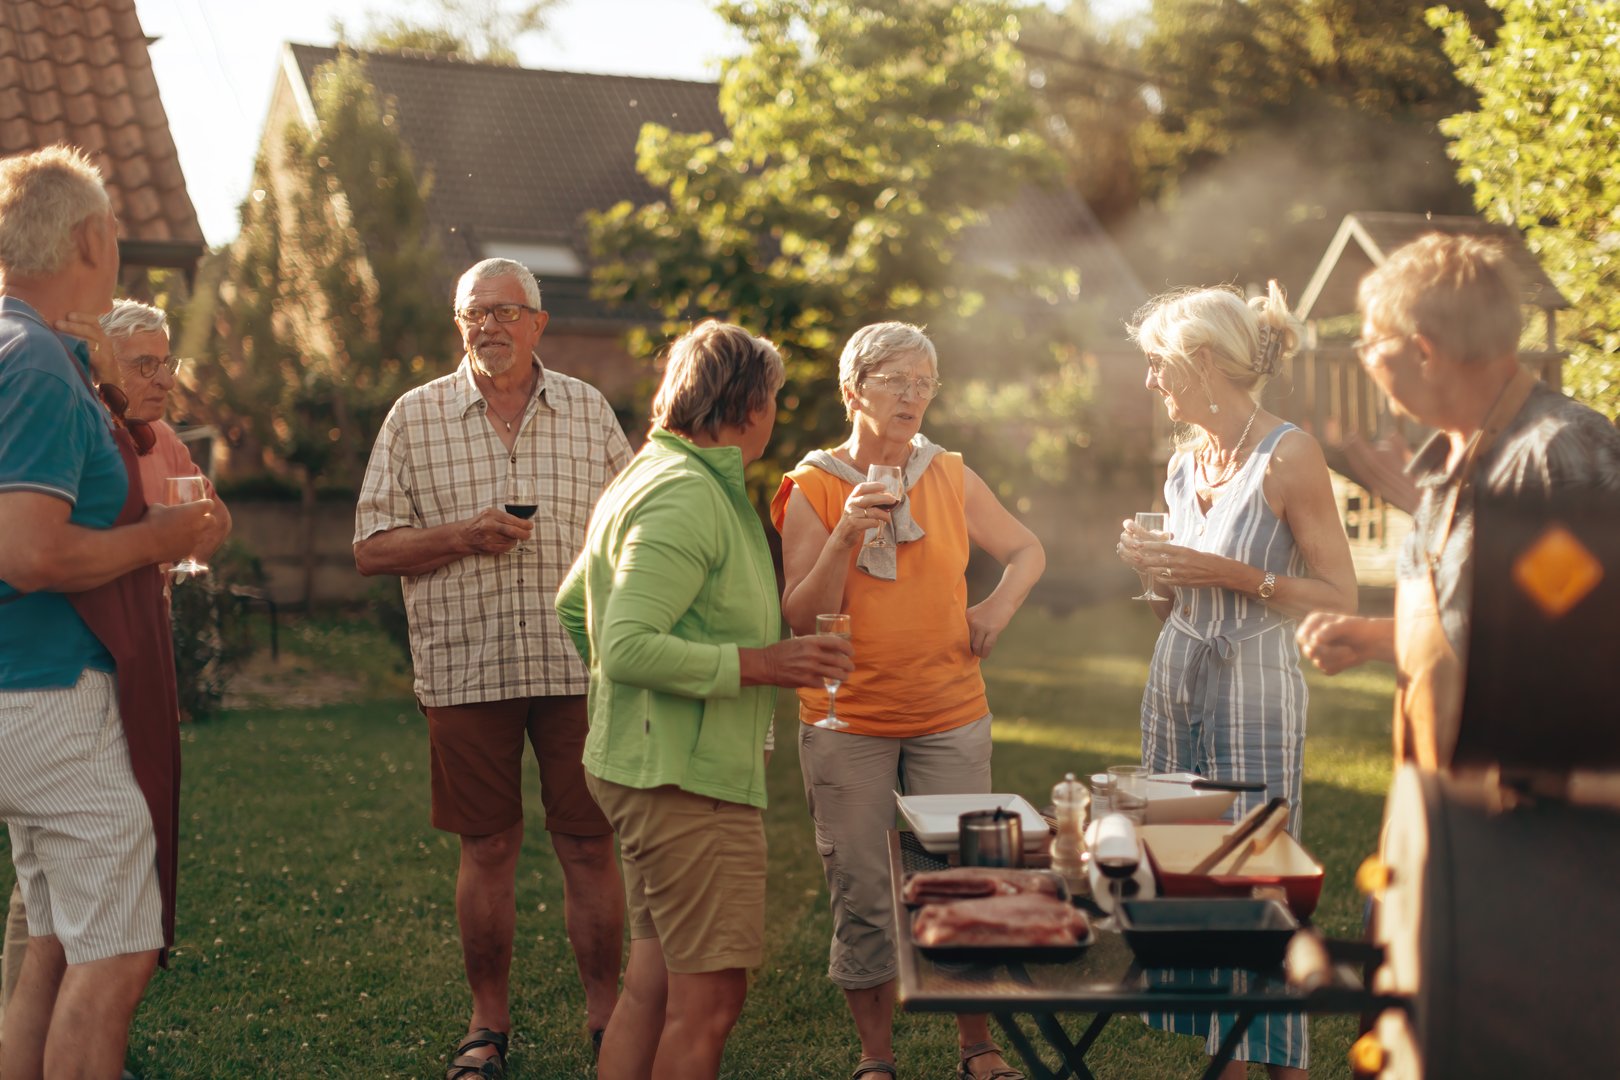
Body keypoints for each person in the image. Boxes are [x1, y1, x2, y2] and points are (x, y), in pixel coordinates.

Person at [354, 258, 630, 1078]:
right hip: (465, 665)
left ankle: (607, 1019)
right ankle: (487, 1024)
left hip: (576, 663)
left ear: (539, 323)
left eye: (509, 311)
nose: (493, 326)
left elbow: (634, 530)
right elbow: (370, 549)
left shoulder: (588, 411)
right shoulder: (415, 417)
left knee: (588, 846)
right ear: (459, 325)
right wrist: (462, 536)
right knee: (488, 849)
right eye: (477, 312)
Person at [556, 320, 854, 1080]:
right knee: (710, 1003)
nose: (774, 415)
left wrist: (644, 712)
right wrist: (762, 663)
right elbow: (623, 645)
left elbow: (573, 606)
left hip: (654, 767)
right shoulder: (684, 495)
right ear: (748, 403)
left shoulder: (652, 475)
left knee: (652, 989)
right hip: (685, 785)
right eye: (775, 399)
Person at [771, 322, 1046, 1080]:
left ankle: (976, 1048)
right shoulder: (813, 485)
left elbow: (1028, 550)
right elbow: (800, 615)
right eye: (897, 380)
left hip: (950, 712)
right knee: (861, 888)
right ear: (854, 390)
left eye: (925, 382)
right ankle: (876, 1057)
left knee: (963, 878)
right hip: (846, 720)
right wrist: (844, 536)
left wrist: (994, 611)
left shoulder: (949, 472)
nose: (914, 396)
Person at [0, 145, 214, 1080]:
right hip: (54, 698)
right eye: (116, 231)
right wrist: (156, 537)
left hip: (20, 698)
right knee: (118, 954)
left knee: (48, 950)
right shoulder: (42, 363)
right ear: (90, 236)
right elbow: (29, 553)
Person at [1115, 282, 1358, 1080]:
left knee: (1259, 883)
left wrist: (1229, 572)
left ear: (1204, 363)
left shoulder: (1288, 453)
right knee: (1188, 876)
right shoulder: (1185, 467)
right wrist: (1157, 574)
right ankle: (1225, 1065)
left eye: (1159, 365)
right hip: (1177, 676)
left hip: (1255, 682)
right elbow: (1178, 604)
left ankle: (1281, 1066)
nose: (1151, 381)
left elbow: (1339, 597)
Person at [1297, 233, 1620, 769]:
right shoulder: (1453, 461)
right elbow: (1521, 622)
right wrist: (1385, 639)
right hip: (1447, 807)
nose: (1366, 362)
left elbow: (1585, 647)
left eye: (1372, 345)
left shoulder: (1556, 454)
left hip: (1532, 821)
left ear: (1423, 350)